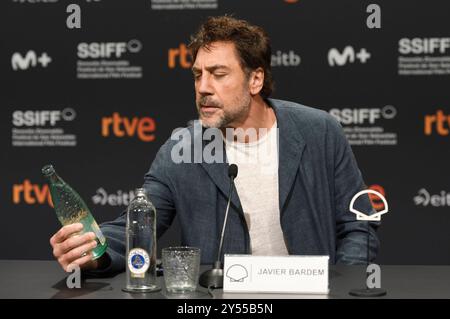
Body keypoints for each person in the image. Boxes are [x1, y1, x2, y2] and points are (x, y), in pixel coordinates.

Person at [49, 15, 379, 275]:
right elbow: (137, 225)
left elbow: (358, 225)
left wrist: (343, 283)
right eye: (197, 75)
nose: (203, 87)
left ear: (255, 80)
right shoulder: (182, 149)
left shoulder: (319, 131)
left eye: (218, 74)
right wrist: (93, 250)